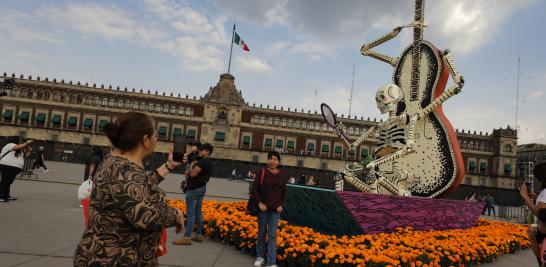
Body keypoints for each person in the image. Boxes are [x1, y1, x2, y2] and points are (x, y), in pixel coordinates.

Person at [74, 112, 184, 266]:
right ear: (145, 140)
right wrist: (176, 214)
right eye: (155, 135)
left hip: (104, 255)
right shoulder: (125, 170)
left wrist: (168, 166)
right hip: (115, 258)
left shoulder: (117, 162)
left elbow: (136, 186)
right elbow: (145, 216)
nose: (157, 139)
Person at [173, 143, 214, 245]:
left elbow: (192, 174)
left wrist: (188, 171)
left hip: (194, 189)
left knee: (190, 214)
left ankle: (186, 238)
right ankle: (198, 235)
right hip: (201, 188)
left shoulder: (202, 162)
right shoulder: (209, 162)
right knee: (198, 212)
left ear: (207, 152)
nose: (199, 151)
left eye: (201, 150)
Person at [252, 151, 287, 267]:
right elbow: (254, 190)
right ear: (268, 160)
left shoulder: (282, 175)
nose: (272, 161)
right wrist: (259, 203)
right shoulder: (261, 172)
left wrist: (281, 204)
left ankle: (271, 262)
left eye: (275, 159)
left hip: (275, 209)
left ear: (278, 162)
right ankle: (260, 257)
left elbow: (284, 192)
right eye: (271, 159)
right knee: (262, 232)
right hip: (263, 208)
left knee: (272, 234)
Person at [0, 137, 33, 202]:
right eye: (20, 141)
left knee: (8, 182)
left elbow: (26, 156)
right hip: (7, 166)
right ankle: (1, 196)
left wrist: (29, 150)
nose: (21, 142)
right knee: (5, 181)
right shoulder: (10, 145)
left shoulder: (20, 148)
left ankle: (6, 195)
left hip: (14, 168)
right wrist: (26, 143)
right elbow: (15, 148)